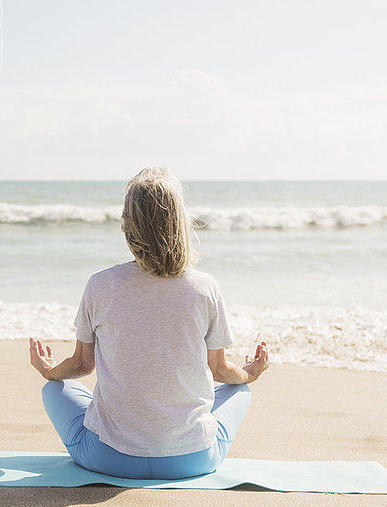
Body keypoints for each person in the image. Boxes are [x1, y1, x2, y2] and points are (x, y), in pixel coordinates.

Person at [29, 167, 269, 479]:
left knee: (54, 389)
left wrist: (48, 370)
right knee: (240, 391)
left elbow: (81, 366)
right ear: (179, 223)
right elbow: (221, 371)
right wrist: (251, 372)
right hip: (192, 460)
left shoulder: (100, 284)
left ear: (128, 226)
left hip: (108, 458)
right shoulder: (205, 286)